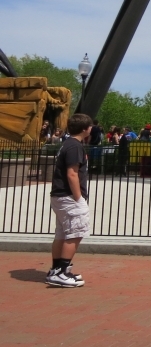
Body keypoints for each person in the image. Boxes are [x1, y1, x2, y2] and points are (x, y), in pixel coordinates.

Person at [47, 113, 93, 288]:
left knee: (62, 233)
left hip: (59, 195)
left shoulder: (67, 144)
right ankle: (61, 272)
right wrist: (78, 198)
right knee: (75, 233)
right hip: (68, 196)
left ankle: (56, 269)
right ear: (85, 129)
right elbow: (72, 174)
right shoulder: (74, 146)